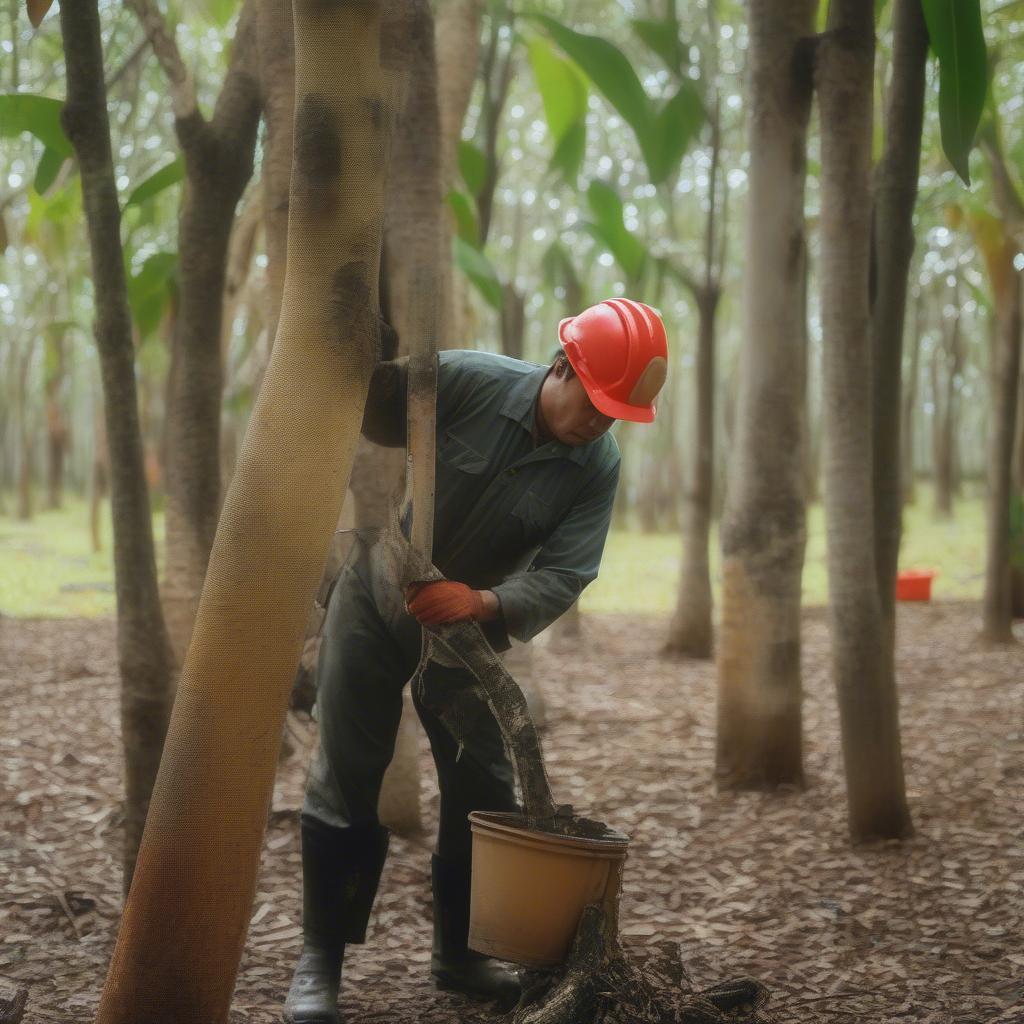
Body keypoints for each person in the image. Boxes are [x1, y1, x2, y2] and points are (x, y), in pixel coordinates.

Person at [284, 298, 669, 1024]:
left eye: (616, 413)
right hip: (375, 601)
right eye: (595, 402)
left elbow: (568, 571)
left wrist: (482, 602)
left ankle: (461, 955)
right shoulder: (464, 381)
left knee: (484, 786)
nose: (600, 421)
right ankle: (320, 961)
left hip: (467, 633)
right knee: (346, 771)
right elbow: (372, 412)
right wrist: (378, 356)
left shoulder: (598, 467)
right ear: (562, 367)